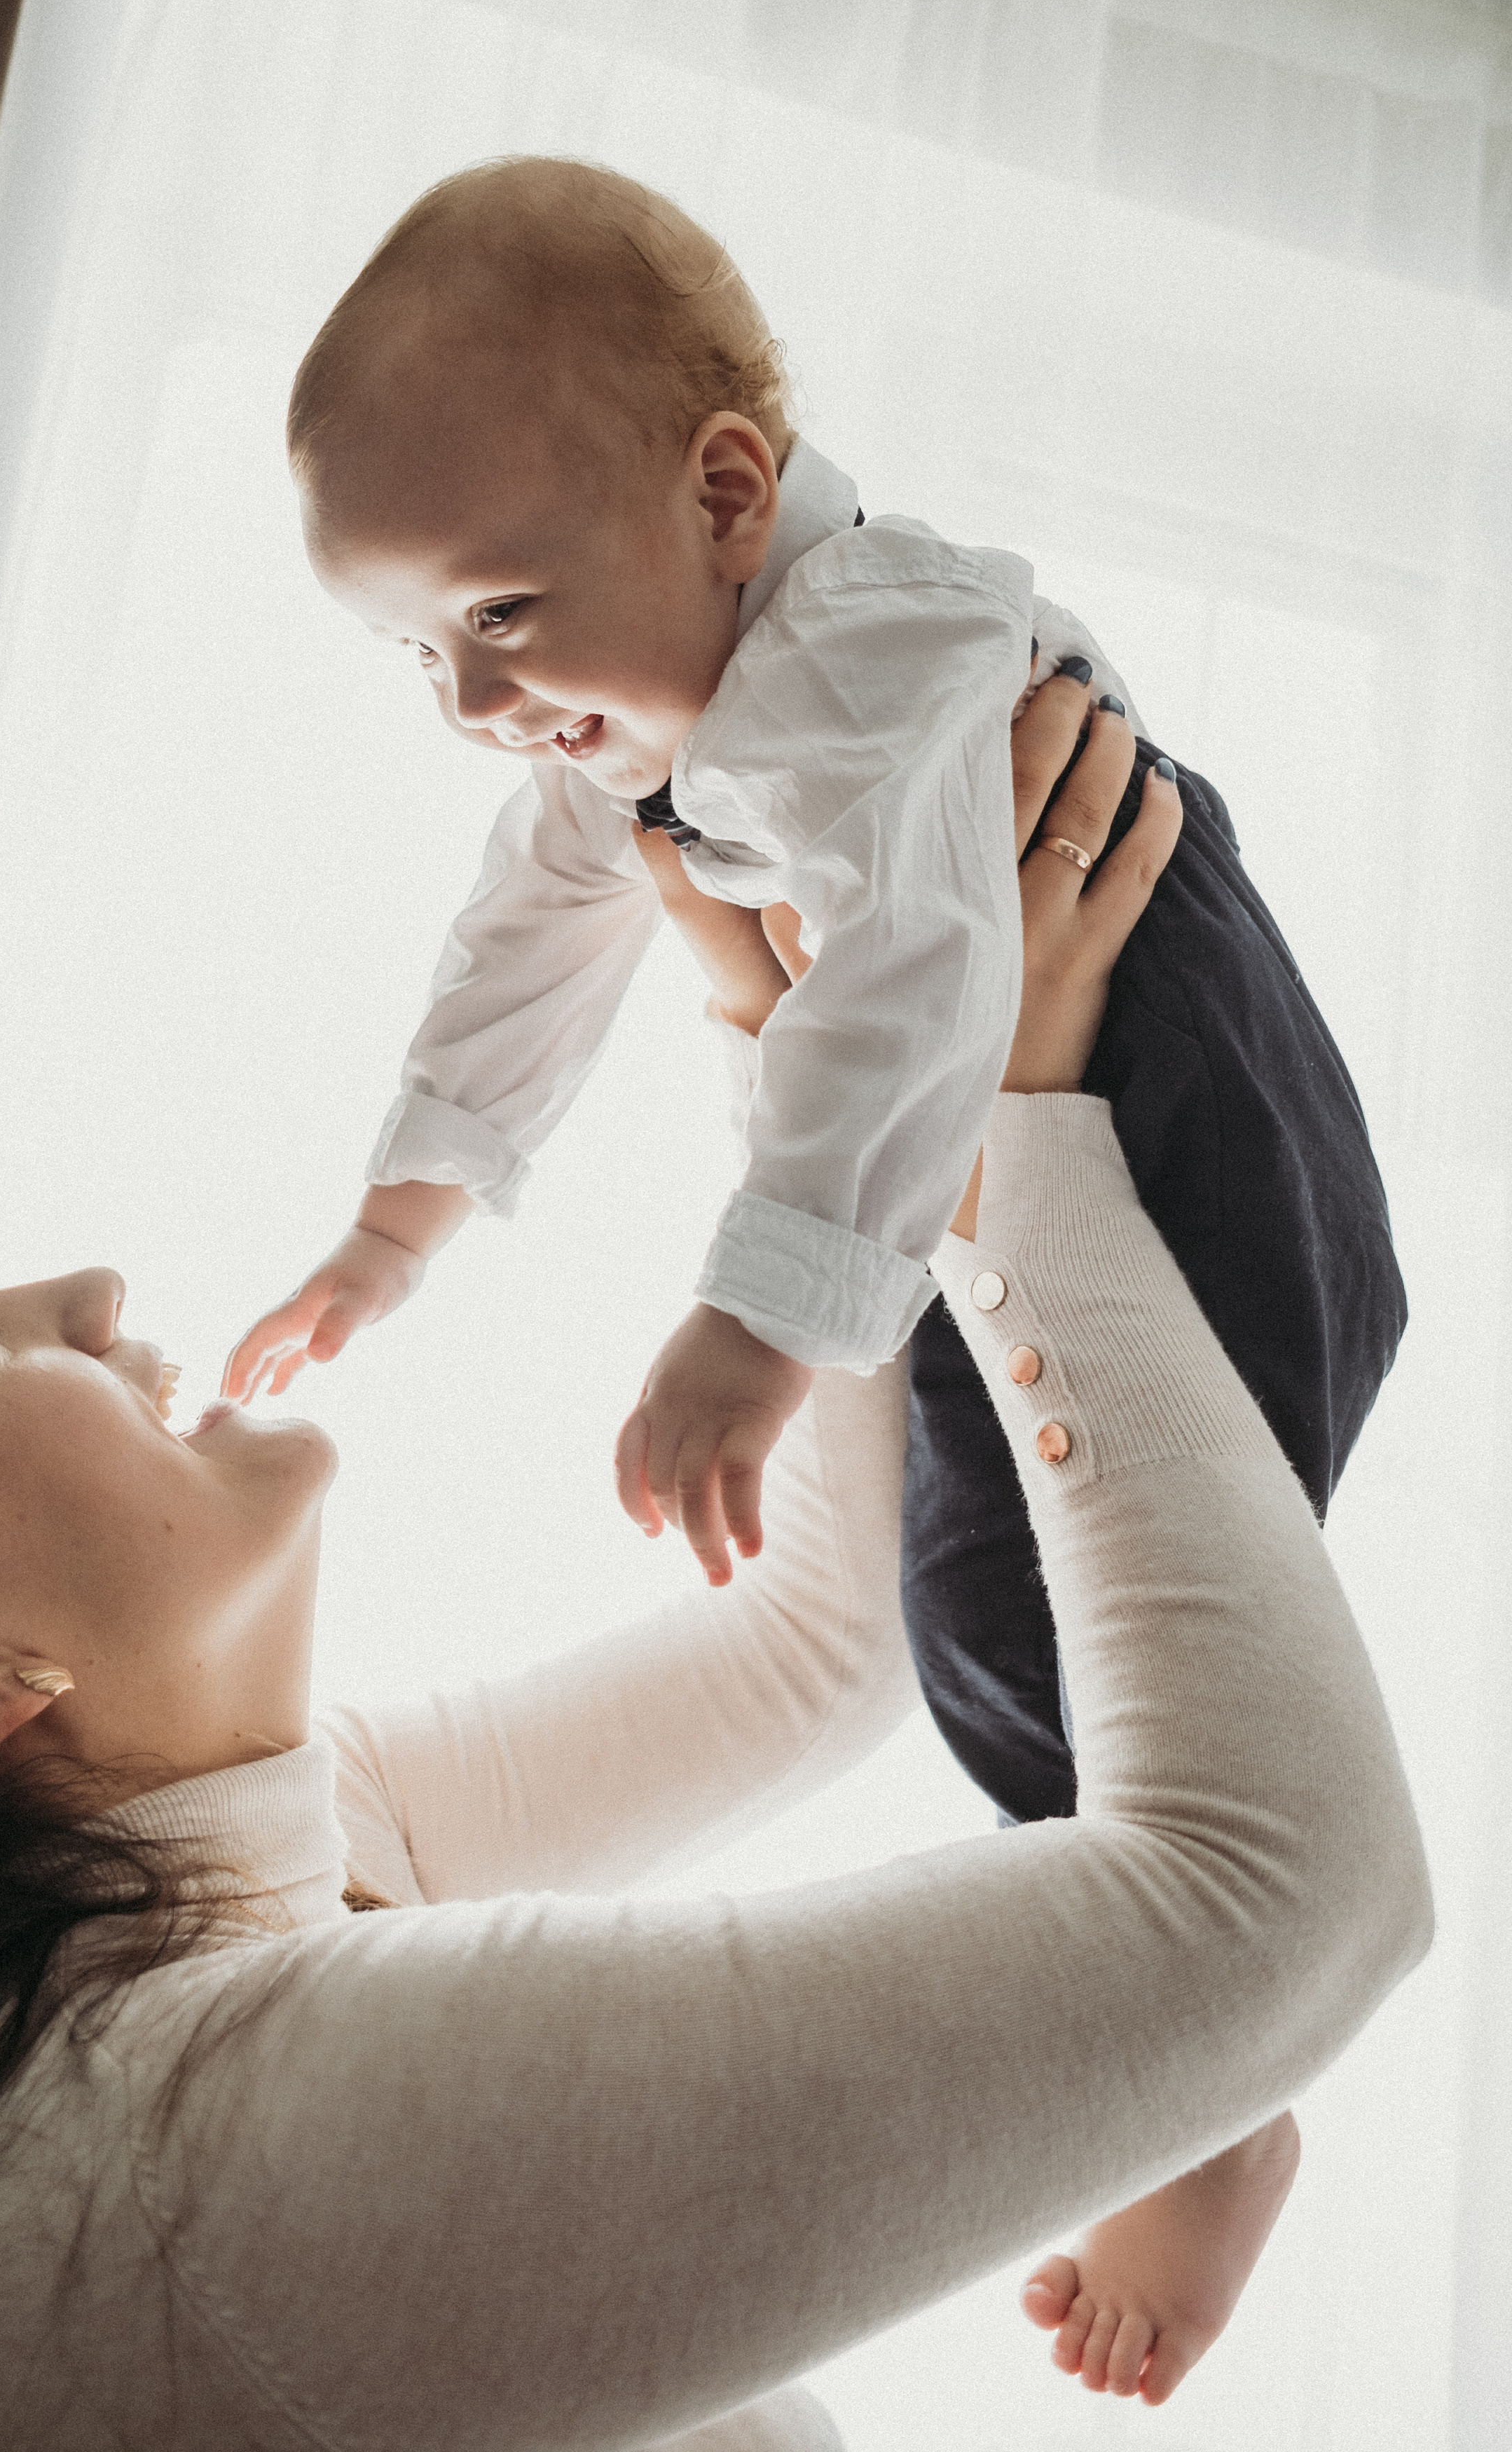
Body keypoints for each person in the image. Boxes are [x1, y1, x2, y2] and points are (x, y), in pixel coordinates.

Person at [0, 691, 1429, 2451]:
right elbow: (1283, 1904)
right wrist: (1021, 1123)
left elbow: (818, 1646)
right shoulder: (183, 2165)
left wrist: (806, 1057)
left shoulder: (231, 1882)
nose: (79, 1293)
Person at [221, 157, 1406, 1835]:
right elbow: (520, 947)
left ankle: (1162, 1874)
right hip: (983, 1104)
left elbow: (914, 974)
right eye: (418, 650)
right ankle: (1111, 1857)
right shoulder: (640, 709)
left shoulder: (863, 659)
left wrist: (757, 1323)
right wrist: (391, 1231)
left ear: (722, 498)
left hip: (1186, 1094)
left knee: (1067, 1614)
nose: (471, 699)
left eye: (497, 612)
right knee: (969, 1599)